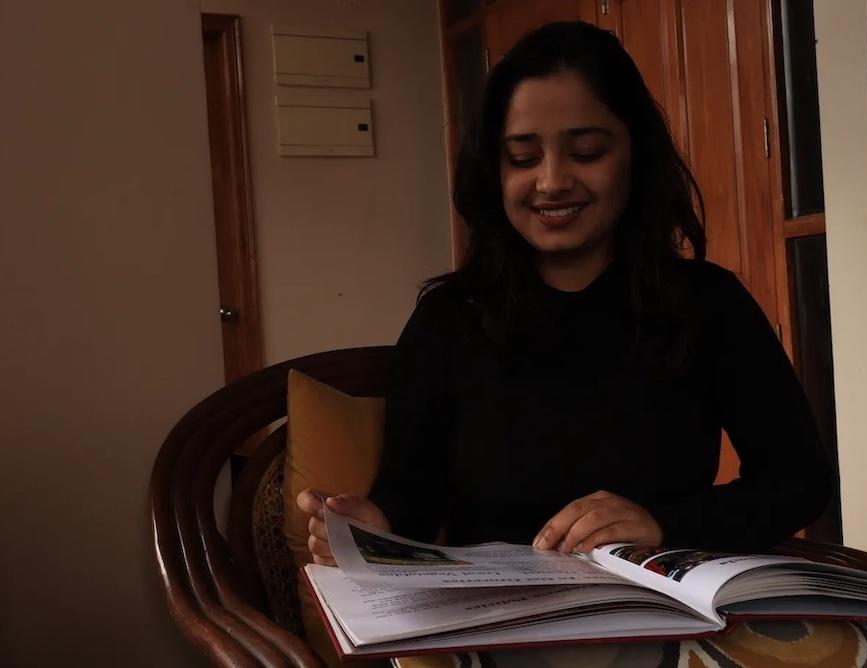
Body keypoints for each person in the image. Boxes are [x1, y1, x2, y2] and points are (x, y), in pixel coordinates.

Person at [297, 21, 831, 565]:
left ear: (634, 156)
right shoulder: (449, 320)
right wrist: (373, 527)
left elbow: (800, 481)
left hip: (661, 609)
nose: (552, 182)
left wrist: (664, 524)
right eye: (524, 158)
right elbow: (410, 499)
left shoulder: (707, 305)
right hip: (493, 622)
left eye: (587, 151)